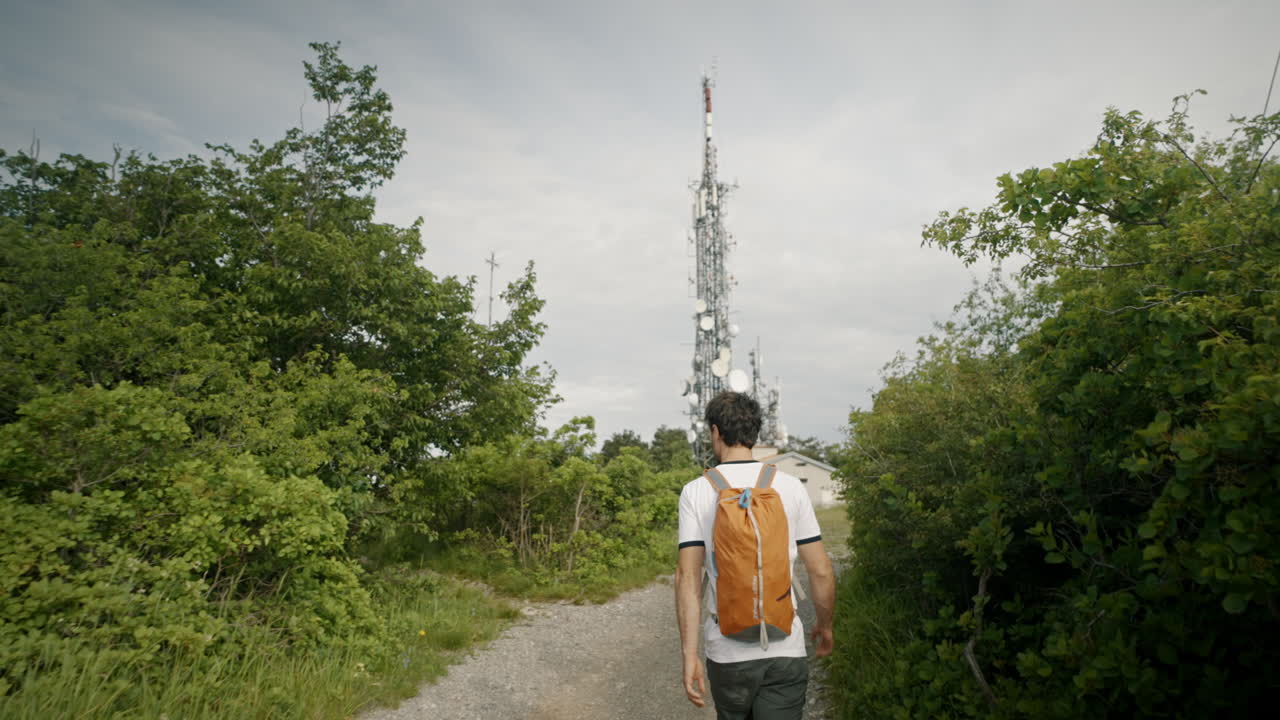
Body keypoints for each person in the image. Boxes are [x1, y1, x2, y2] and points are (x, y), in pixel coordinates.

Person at [675, 391, 836, 719]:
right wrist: (825, 624)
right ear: (755, 431)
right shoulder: (790, 487)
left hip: (727, 653)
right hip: (785, 646)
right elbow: (820, 569)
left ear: (716, 431)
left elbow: (687, 577)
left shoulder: (696, 491)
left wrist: (689, 654)